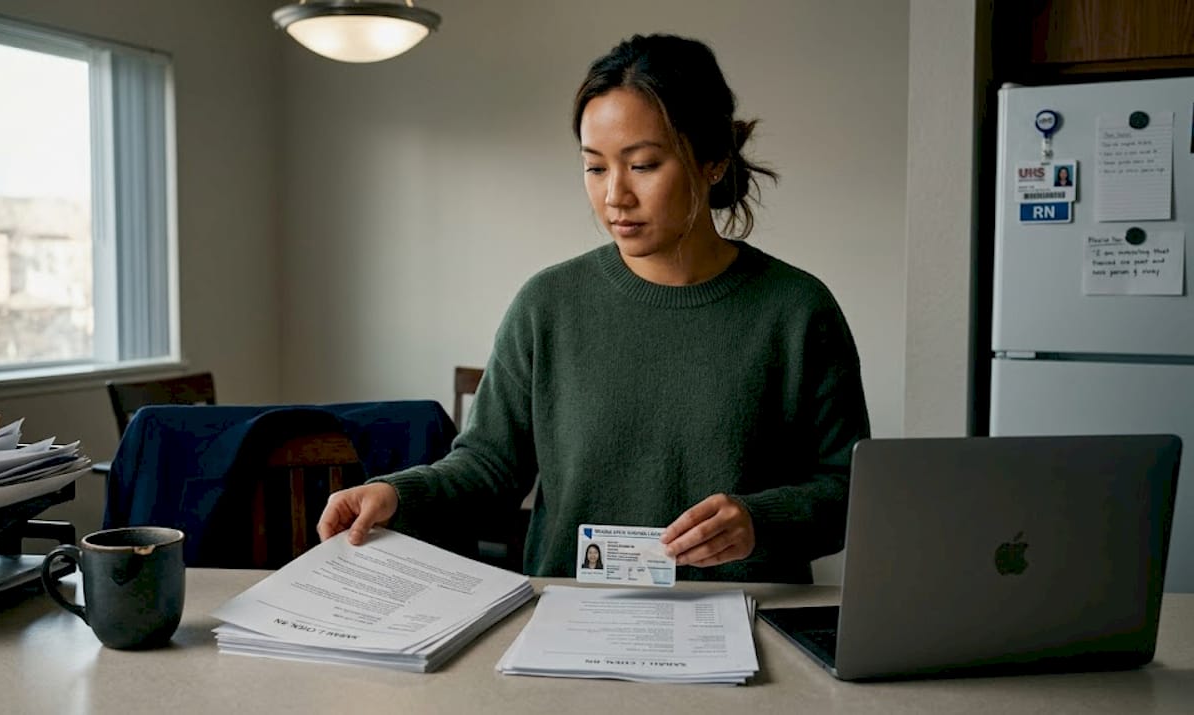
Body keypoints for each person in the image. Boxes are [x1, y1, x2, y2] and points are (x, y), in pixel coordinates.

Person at [317, 33, 871, 584]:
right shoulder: (547, 305)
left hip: (747, 629)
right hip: (570, 625)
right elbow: (488, 468)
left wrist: (759, 521)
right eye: (596, 167)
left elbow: (851, 492)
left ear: (714, 161)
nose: (615, 197)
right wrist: (394, 493)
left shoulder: (798, 311)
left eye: (644, 165)